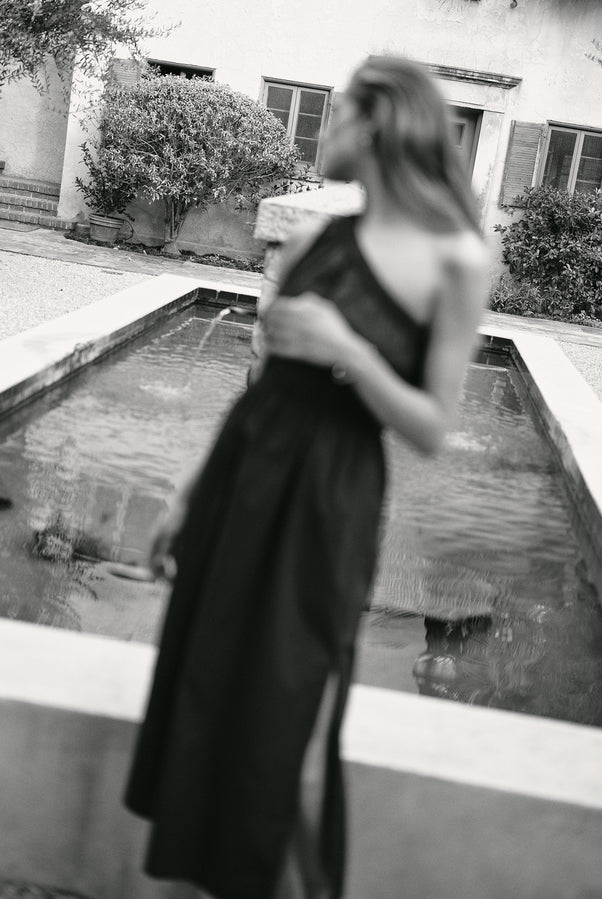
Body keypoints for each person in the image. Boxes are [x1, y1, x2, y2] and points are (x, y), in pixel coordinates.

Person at [125, 55, 488, 899]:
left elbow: (431, 426)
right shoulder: (323, 237)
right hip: (242, 475)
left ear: (380, 125)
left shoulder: (457, 258)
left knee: (295, 704)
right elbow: (262, 385)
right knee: (208, 679)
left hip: (328, 498)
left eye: (337, 112)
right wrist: (187, 494)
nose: (321, 129)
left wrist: (348, 349)